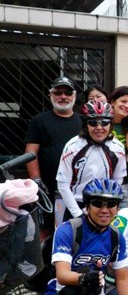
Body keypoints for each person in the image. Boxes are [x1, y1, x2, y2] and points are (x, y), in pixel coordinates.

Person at [25, 76, 82, 236]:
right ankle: (44, 261)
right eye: (58, 92)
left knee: (76, 228)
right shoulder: (39, 120)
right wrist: (37, 182)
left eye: (67, 92)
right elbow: (31, 154)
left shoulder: (83, 122)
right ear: (50, 95)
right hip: (48, 188)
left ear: (74, 95)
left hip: (77, 190)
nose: (63, 96)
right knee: (45, 230)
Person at [56, 100, 126, 221]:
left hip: (103, 205)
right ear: (85, 125)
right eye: (93, 123)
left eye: (104, 123)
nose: (99, 128)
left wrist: (109, 205)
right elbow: (63, 184)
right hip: (76, 203)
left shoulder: (118, 147)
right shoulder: (73, 146)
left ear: (110, 125)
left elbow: (118, 180)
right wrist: (78, 214)